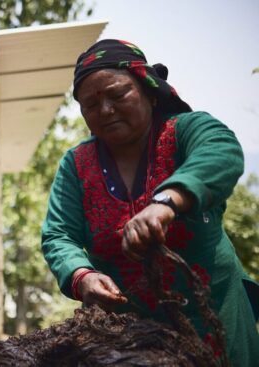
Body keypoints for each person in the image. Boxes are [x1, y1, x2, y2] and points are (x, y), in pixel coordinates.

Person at [41, 39, 259, 366]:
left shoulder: (186, 130)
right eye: (90, 104)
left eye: (118, 95)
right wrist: (82, 275)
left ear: (150, 91)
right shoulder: (76, 165)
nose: (105, 110)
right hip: (129, 337)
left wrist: (166, 202)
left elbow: (221, 151)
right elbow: (59, 235)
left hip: (214, 320)